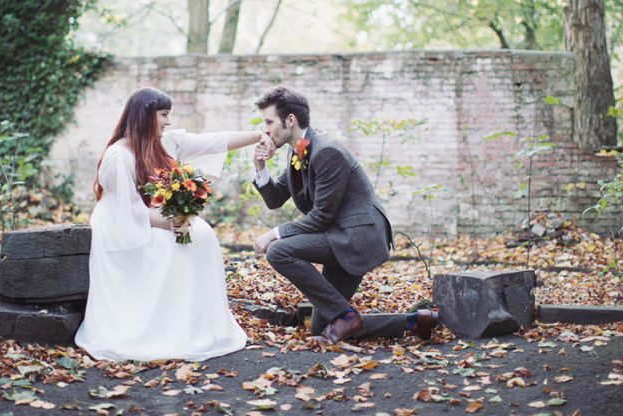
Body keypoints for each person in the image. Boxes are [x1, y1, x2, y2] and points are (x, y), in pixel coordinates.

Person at [74, 87, 262, 362]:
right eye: (163, 114)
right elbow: (126, 212)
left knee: (203, 234)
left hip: (149, 219)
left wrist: (261, 136)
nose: (168, 121)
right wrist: (168, 222)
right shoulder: (118, 157)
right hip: (120, 231)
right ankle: (164, 327)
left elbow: (214, 141)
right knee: (174, 245)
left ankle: (195, 324)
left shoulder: (165, 143)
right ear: (145, 116)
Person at [251, 86, 439, 343]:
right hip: (337, 235)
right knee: (323, 326)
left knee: (278, 250)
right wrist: (259, 166)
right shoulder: (298, 151)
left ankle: (347, 316)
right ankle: (414, 321)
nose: (266, 130)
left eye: (269, 122)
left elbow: (321, 216)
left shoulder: (327, 151)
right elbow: (274, 199)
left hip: (358, 237)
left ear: (290, 120)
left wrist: (273, 234)